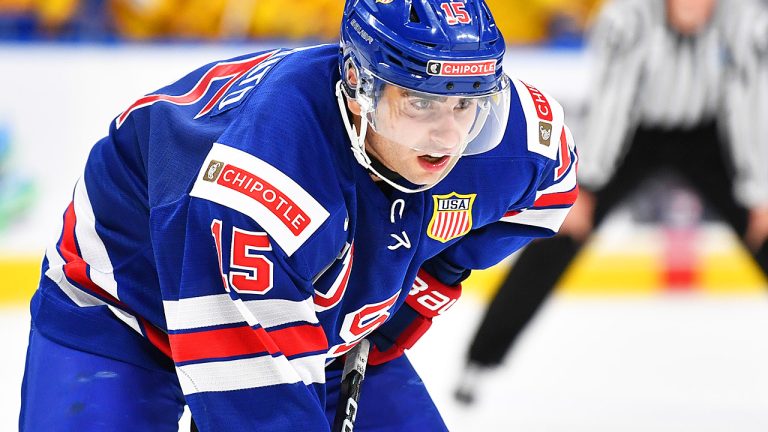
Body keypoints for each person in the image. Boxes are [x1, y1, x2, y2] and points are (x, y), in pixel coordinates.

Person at [19, 0, 578, 430]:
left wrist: (427, 284)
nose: (450, 135)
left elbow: (551, 192)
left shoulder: (515, 141)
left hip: (302, 309)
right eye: (421, 101)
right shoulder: (265, 182)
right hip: (121, 305)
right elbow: (249, 398)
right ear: (360, 84)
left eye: (465, 103)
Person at [454, 0, 768, 405]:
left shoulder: (744, 20)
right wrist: (587, 185)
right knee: (559, 229)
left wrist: (759, 191)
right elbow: (612, 100)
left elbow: (751, 102)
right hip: (632, 133)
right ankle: (480, 361)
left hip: (710, 135)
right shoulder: (627, 17)